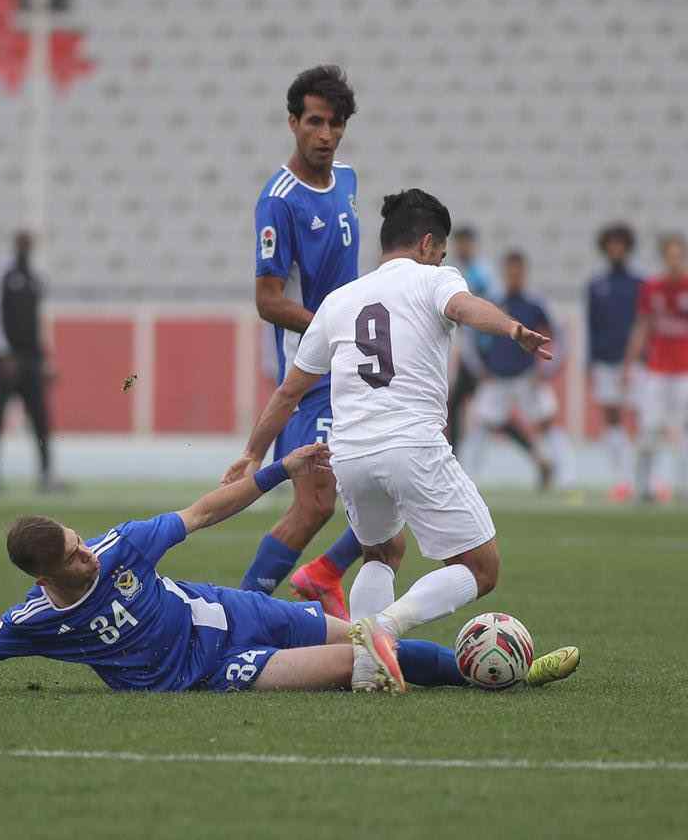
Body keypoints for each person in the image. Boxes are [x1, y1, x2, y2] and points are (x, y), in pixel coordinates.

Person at [0, 442, 578, 695]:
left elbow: (207, 510)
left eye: (82, 541)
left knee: (369, 636)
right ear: (44, 577)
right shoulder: (36, 620)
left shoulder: (121, 546)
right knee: (359, 666)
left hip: (229, 612)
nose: (89, 552)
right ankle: (489, 675)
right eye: (74, 555)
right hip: (211, 671)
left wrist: (279, 468)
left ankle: (499, 671)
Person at [222, 189, 574, 690]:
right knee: (481, 568)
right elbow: (464, 307)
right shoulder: (433, 279)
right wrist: (513, 328)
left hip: (350, 454)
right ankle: (384, 628)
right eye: (442, 252)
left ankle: (367, 671)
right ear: (428, 244)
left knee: (381, 553)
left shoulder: (339, 300)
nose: (442, 261)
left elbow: (289, 391)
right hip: (411, 444)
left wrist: (251, 453)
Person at [244, 65, 363, 619]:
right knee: (316, 503)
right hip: (313, 375)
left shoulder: (349, 181)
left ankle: (330, 578)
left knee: (389, 498)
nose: (325, 134)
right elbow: (268, 300)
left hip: (358, 367)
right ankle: (243, 611)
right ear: (293, 122)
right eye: (314, 122)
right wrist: (332, 328)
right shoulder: (279, 201)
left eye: (335, 124)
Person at [465, 252, 564, 487]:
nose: (514, 276)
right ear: (504, 273)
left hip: (527, 378)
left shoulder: (535, 302)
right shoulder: (492, 301)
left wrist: (548, 368)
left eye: (518, 272)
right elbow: (470, 337)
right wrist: (479, 368)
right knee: (482, 425)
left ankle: (565, 477)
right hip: (496, 378)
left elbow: (559, 334)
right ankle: (468, 479)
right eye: (510, 271)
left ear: (524, 273)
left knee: (547, 422)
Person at [0, 230, 59, 493]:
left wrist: (46, 358)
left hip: (32, 359)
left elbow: (38, 321)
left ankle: (46, 476)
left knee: (40, 419)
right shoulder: (1, 274)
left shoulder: (35, 277)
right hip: (7, 360)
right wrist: (2, 353)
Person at [624, 233, 688, 503]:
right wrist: (629, 363)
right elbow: (642, 326)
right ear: (664, 258)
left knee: (684, 429)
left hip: (684, 372)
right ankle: (643, 487)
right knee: (649, 428)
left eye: (678, 256)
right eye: (670, 256)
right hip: (657, 370)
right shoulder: (652, 287)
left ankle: (683, 487)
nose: (674, 261)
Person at [586, 224, 641, 501]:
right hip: (605, 361)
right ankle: (622, 478)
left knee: (642, 417)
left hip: (635, 362)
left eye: (620, 243)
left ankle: (645, 477)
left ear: (627, 247)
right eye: (611, 243)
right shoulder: (596, 286)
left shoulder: (639, 284)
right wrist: (590, 362)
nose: (615, 248)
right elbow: (592, 327)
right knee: (612, 419)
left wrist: (639, 358)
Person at [446, 226, 497, 457]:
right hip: (470, 352)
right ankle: (455, 455)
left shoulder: (483, 273)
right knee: (457, 404)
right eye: (459, 243)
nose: (462, 248)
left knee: (493, 412)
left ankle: (535, 454)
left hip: (486, 351)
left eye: (466, 243)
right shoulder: (455, 272)